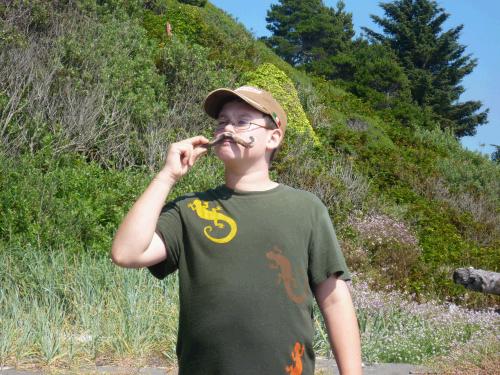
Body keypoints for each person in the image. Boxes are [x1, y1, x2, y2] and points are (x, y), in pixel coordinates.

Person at [111, 86, 362, 375]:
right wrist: (166, 176)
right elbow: (126, 253)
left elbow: (334, 299)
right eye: (222, 121)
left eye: (242, 121)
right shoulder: (190, 210)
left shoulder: (306, 208)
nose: (228, 128)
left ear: (274, 136)